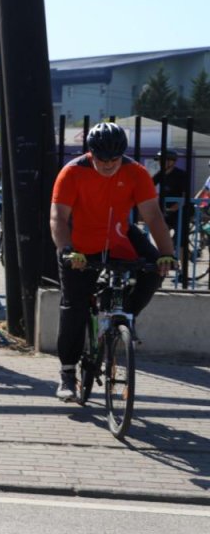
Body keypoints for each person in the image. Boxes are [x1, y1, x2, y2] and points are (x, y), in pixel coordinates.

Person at [50, 123, 175, 402]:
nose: (108, 165)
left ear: (123, 155)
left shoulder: (136, 173)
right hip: (80, 245)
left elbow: (153, 216)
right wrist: (67, 250)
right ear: (90, 153)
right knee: (74, 305)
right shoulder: (72, 172)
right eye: (101, 159)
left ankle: (123, 319)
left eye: (114, 159)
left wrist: (167, 253)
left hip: (119, 238)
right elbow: (58, 217)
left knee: (157, 267)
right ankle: (68, 373)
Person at [151, 149, 191, 264]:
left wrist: (174, 208)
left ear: (172, 162)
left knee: (180, 243)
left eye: (162, 160)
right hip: (166, 212)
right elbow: (148, 185)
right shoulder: (160, 174)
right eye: (159, 161)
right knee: (161, 238)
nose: (160, 163)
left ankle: (184, 273)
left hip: (181, 212)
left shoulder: (181, 175)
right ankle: (165, 266)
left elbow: (184, 196)